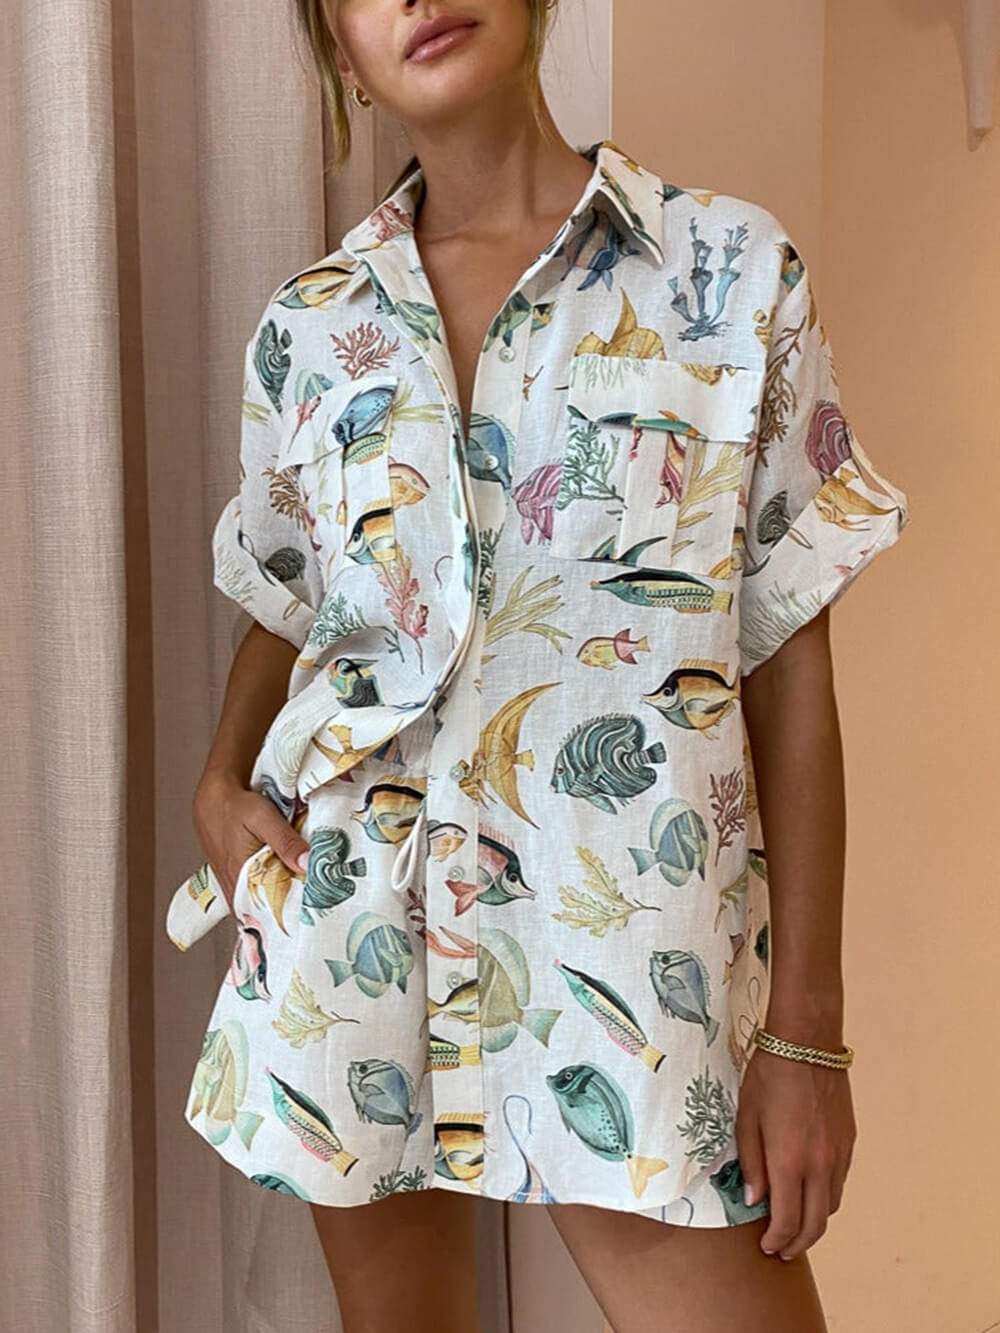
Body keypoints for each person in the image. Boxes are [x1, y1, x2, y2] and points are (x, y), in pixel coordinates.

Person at [164, 2, 911, 1330]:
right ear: (341, 54)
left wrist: (805, 1032)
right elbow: (289, 593)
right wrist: (221, 779)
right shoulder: (311, 328)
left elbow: (790, 661)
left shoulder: (731, 278)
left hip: (631, 962)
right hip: (354, 938)